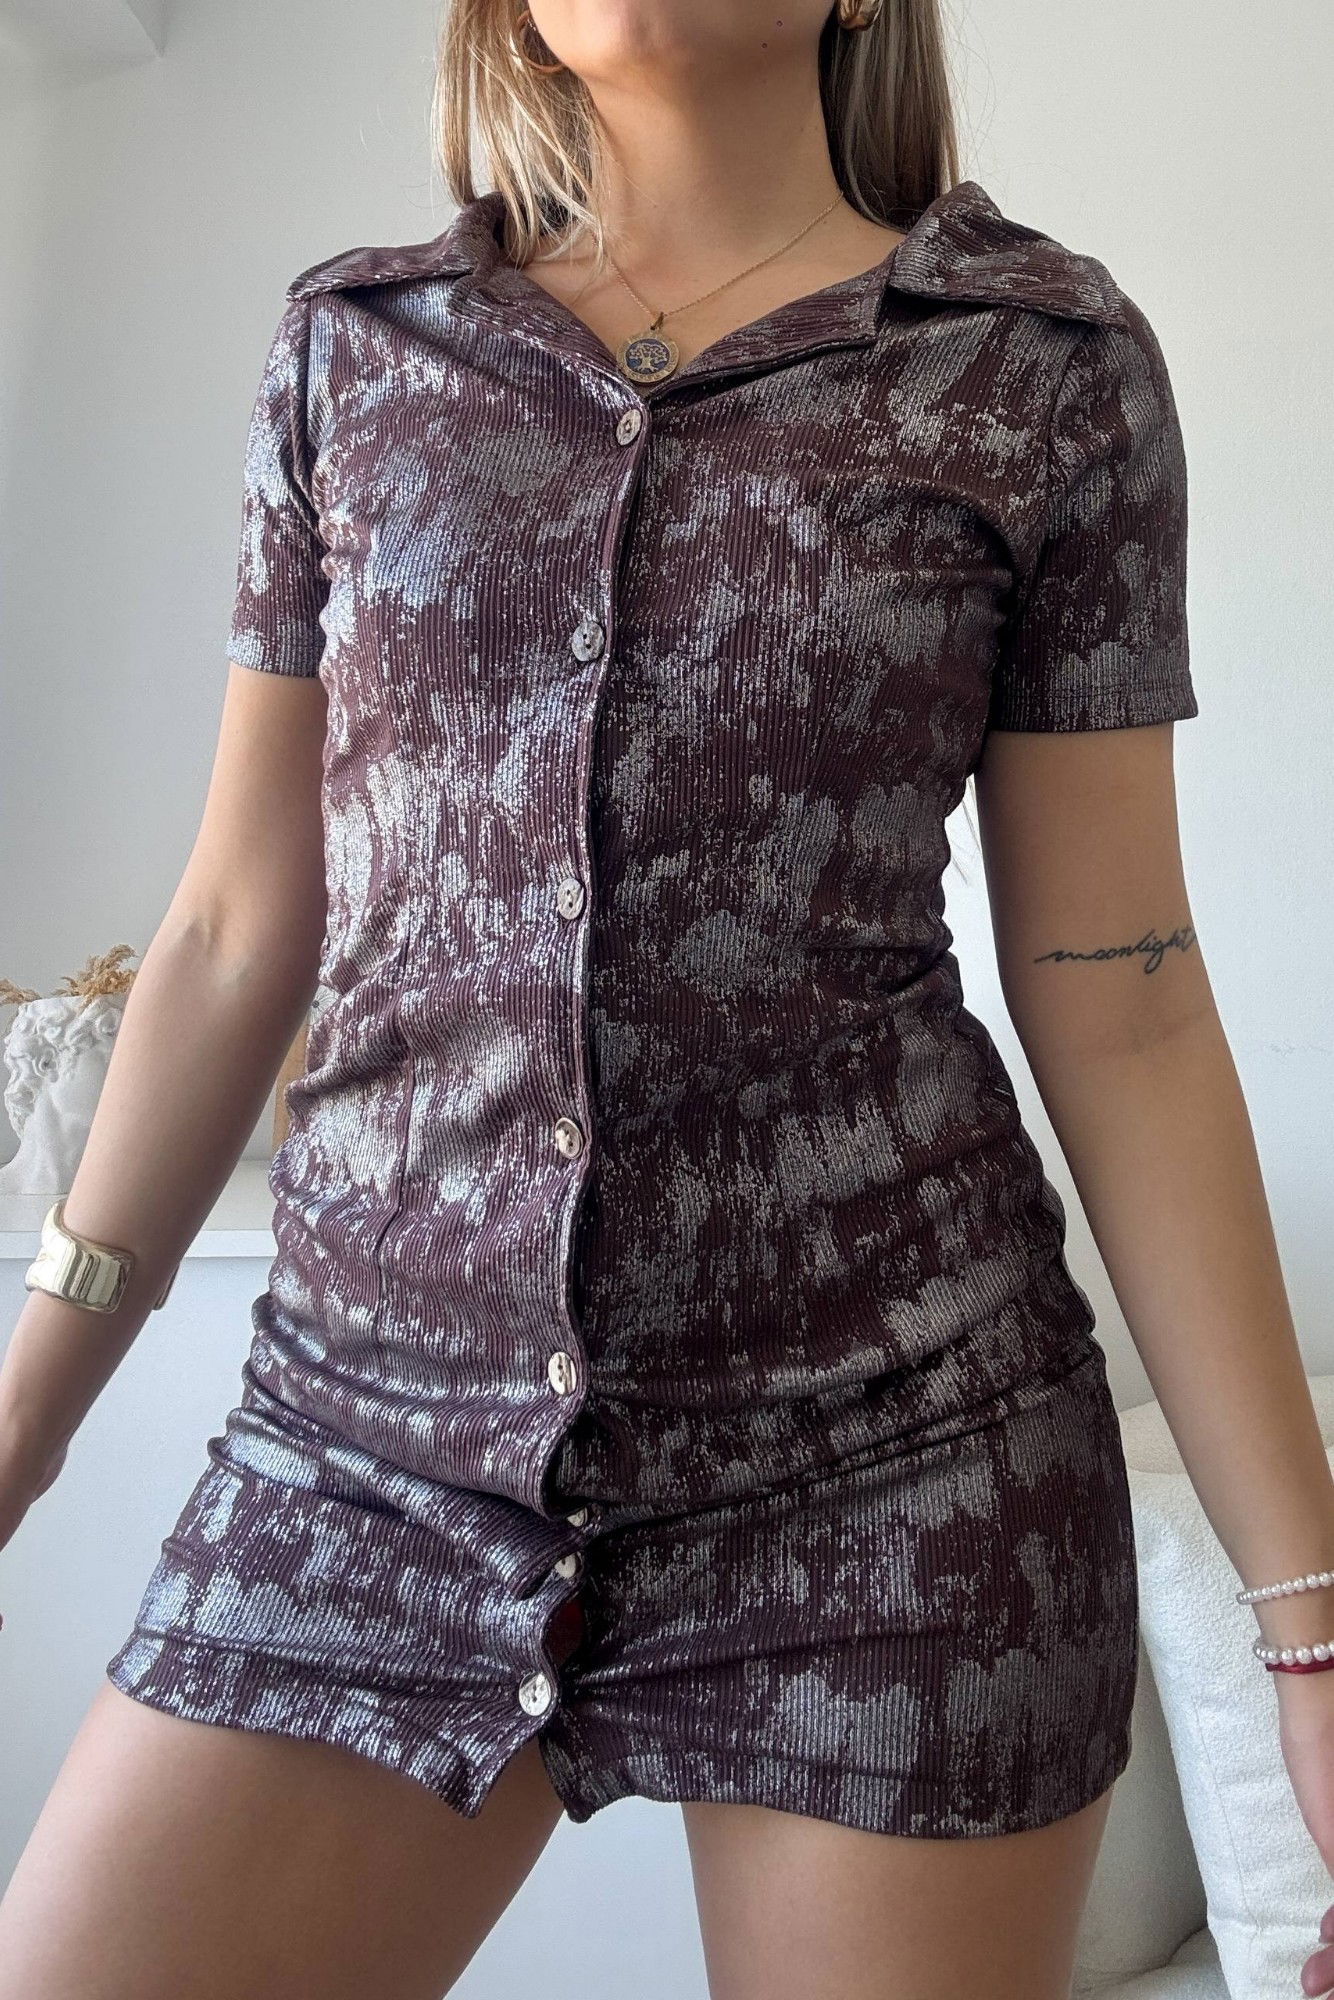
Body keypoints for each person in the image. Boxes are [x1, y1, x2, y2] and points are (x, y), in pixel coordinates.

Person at [2, 3, 1332, 1996]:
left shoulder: (1037, 367)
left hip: (898, 1471)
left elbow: (1121, 995)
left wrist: (1306, 1620)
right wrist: (23, 1422)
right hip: (367, 1451)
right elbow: (226, 934)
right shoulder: (356, 353)